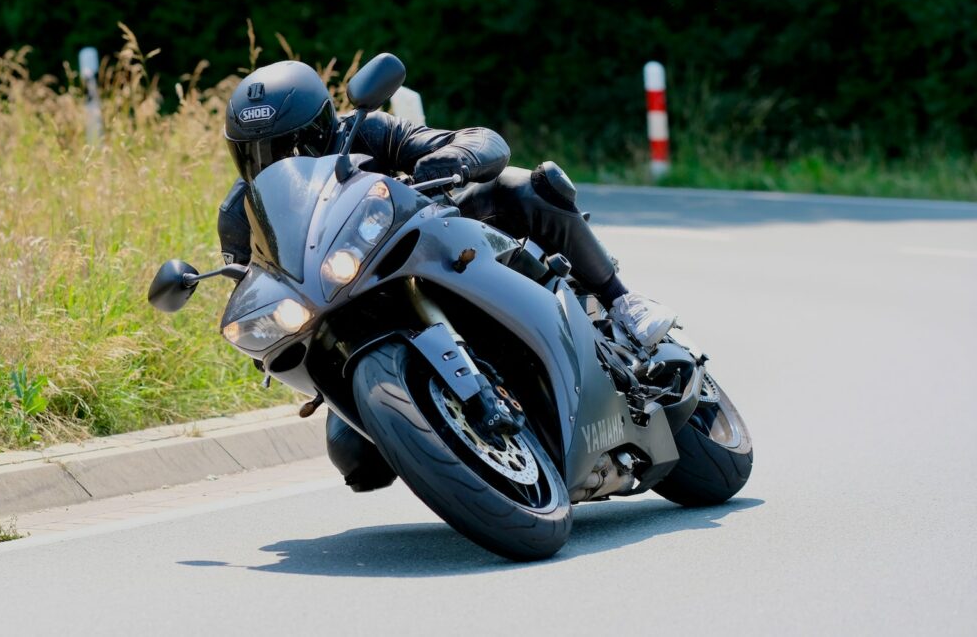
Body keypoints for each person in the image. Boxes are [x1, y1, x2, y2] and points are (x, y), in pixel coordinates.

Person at [217, 59, 677, 491]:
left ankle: (621, 300)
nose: (275, 162)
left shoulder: (369, 132)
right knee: (355, 460)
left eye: (288, 146)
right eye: (257, 155)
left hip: (435, 251)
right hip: (348, 314)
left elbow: (483, 141)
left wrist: (452, 158)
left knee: (527, 187)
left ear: (323, 126)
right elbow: (251, 279)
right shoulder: (240, 213)